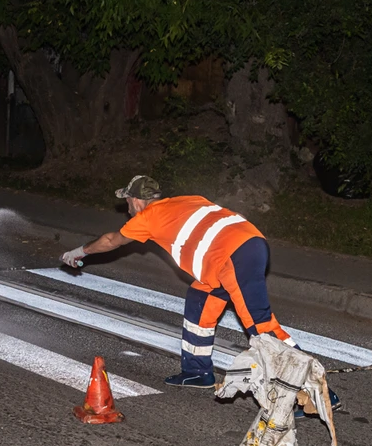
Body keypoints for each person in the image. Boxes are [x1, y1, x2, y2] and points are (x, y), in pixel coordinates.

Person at [60, 175, 342, 408]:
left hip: (234, 257)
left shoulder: (147, 216)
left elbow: (111, 240)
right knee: (200, 298)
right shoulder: (188, 199)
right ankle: (197, 372)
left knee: (261, 328)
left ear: (135, 200)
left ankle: (319, 393)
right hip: (244, 248)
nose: (128, 209)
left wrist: (79, 252)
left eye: (128, 203)